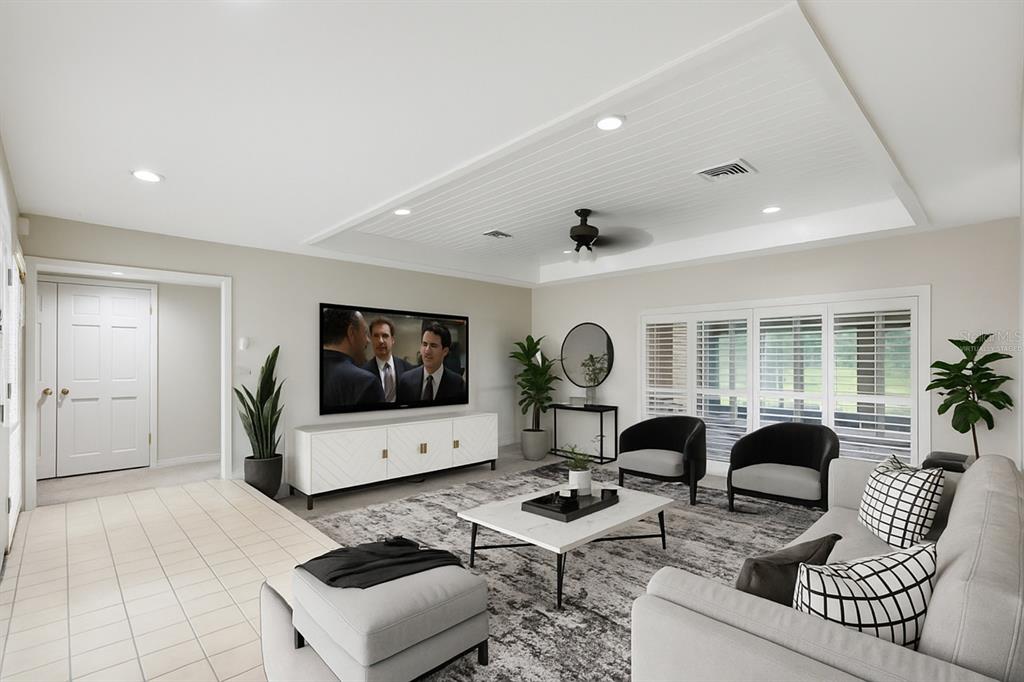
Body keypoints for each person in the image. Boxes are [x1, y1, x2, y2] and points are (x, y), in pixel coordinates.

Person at [321, 308, 385, 409]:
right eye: (365, 333)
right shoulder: (366, 383)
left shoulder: (305, 372)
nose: (368, 341)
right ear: (351, 333)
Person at [397, 323, 466, 404]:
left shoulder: (457, 383)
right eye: (424, 344)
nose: (427, 351)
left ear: (445, 351)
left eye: (433, 346)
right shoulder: (406, 380)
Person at [361, 317, 413, 403]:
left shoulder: (408, 369)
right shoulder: (363, 373)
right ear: (371, 340)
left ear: (392, 340)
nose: (380, 341)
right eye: (376, 336)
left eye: (385, 336)